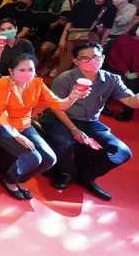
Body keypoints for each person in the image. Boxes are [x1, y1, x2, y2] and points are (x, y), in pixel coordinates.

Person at [0, 53, 86, 200]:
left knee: (50, 158)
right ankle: (9, 180)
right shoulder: (2, 85)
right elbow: (0, 114)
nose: (27, 74)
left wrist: (73, 96)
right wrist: (17, 136)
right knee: (32, 157)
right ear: (12, 71)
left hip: (25, 125)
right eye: (22, 70)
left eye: (30, 70)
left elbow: (59, 105)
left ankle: (20, 180)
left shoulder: (37, 84)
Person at [42, 43, 137, 200]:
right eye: (85, 58)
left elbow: (132, 101)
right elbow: (56, 107)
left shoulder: (112, 79)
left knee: (122, 152)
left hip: (90, 121)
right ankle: (66, 173)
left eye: (95, 57)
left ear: (102, 58)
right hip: (62, 116)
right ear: (76, 61)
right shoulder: (66, 78)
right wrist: (74, 129)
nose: (91, 61)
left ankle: (86, 176)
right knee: (64, 143)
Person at [104, 23, 139, 121]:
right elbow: (115, 57)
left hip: (136, 74)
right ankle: (103, 104)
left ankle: (128, 111)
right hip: (117, 68)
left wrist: (136, 74)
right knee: (117, 78)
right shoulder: (123, 39)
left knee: (135, 84)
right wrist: (125, 70)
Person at [0, 17, 35, 83]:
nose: (6, 31)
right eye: (3, 30)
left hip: (19, 76)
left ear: (16, 29)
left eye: (9, 28)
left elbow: (31, 64)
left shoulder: (26, 44)